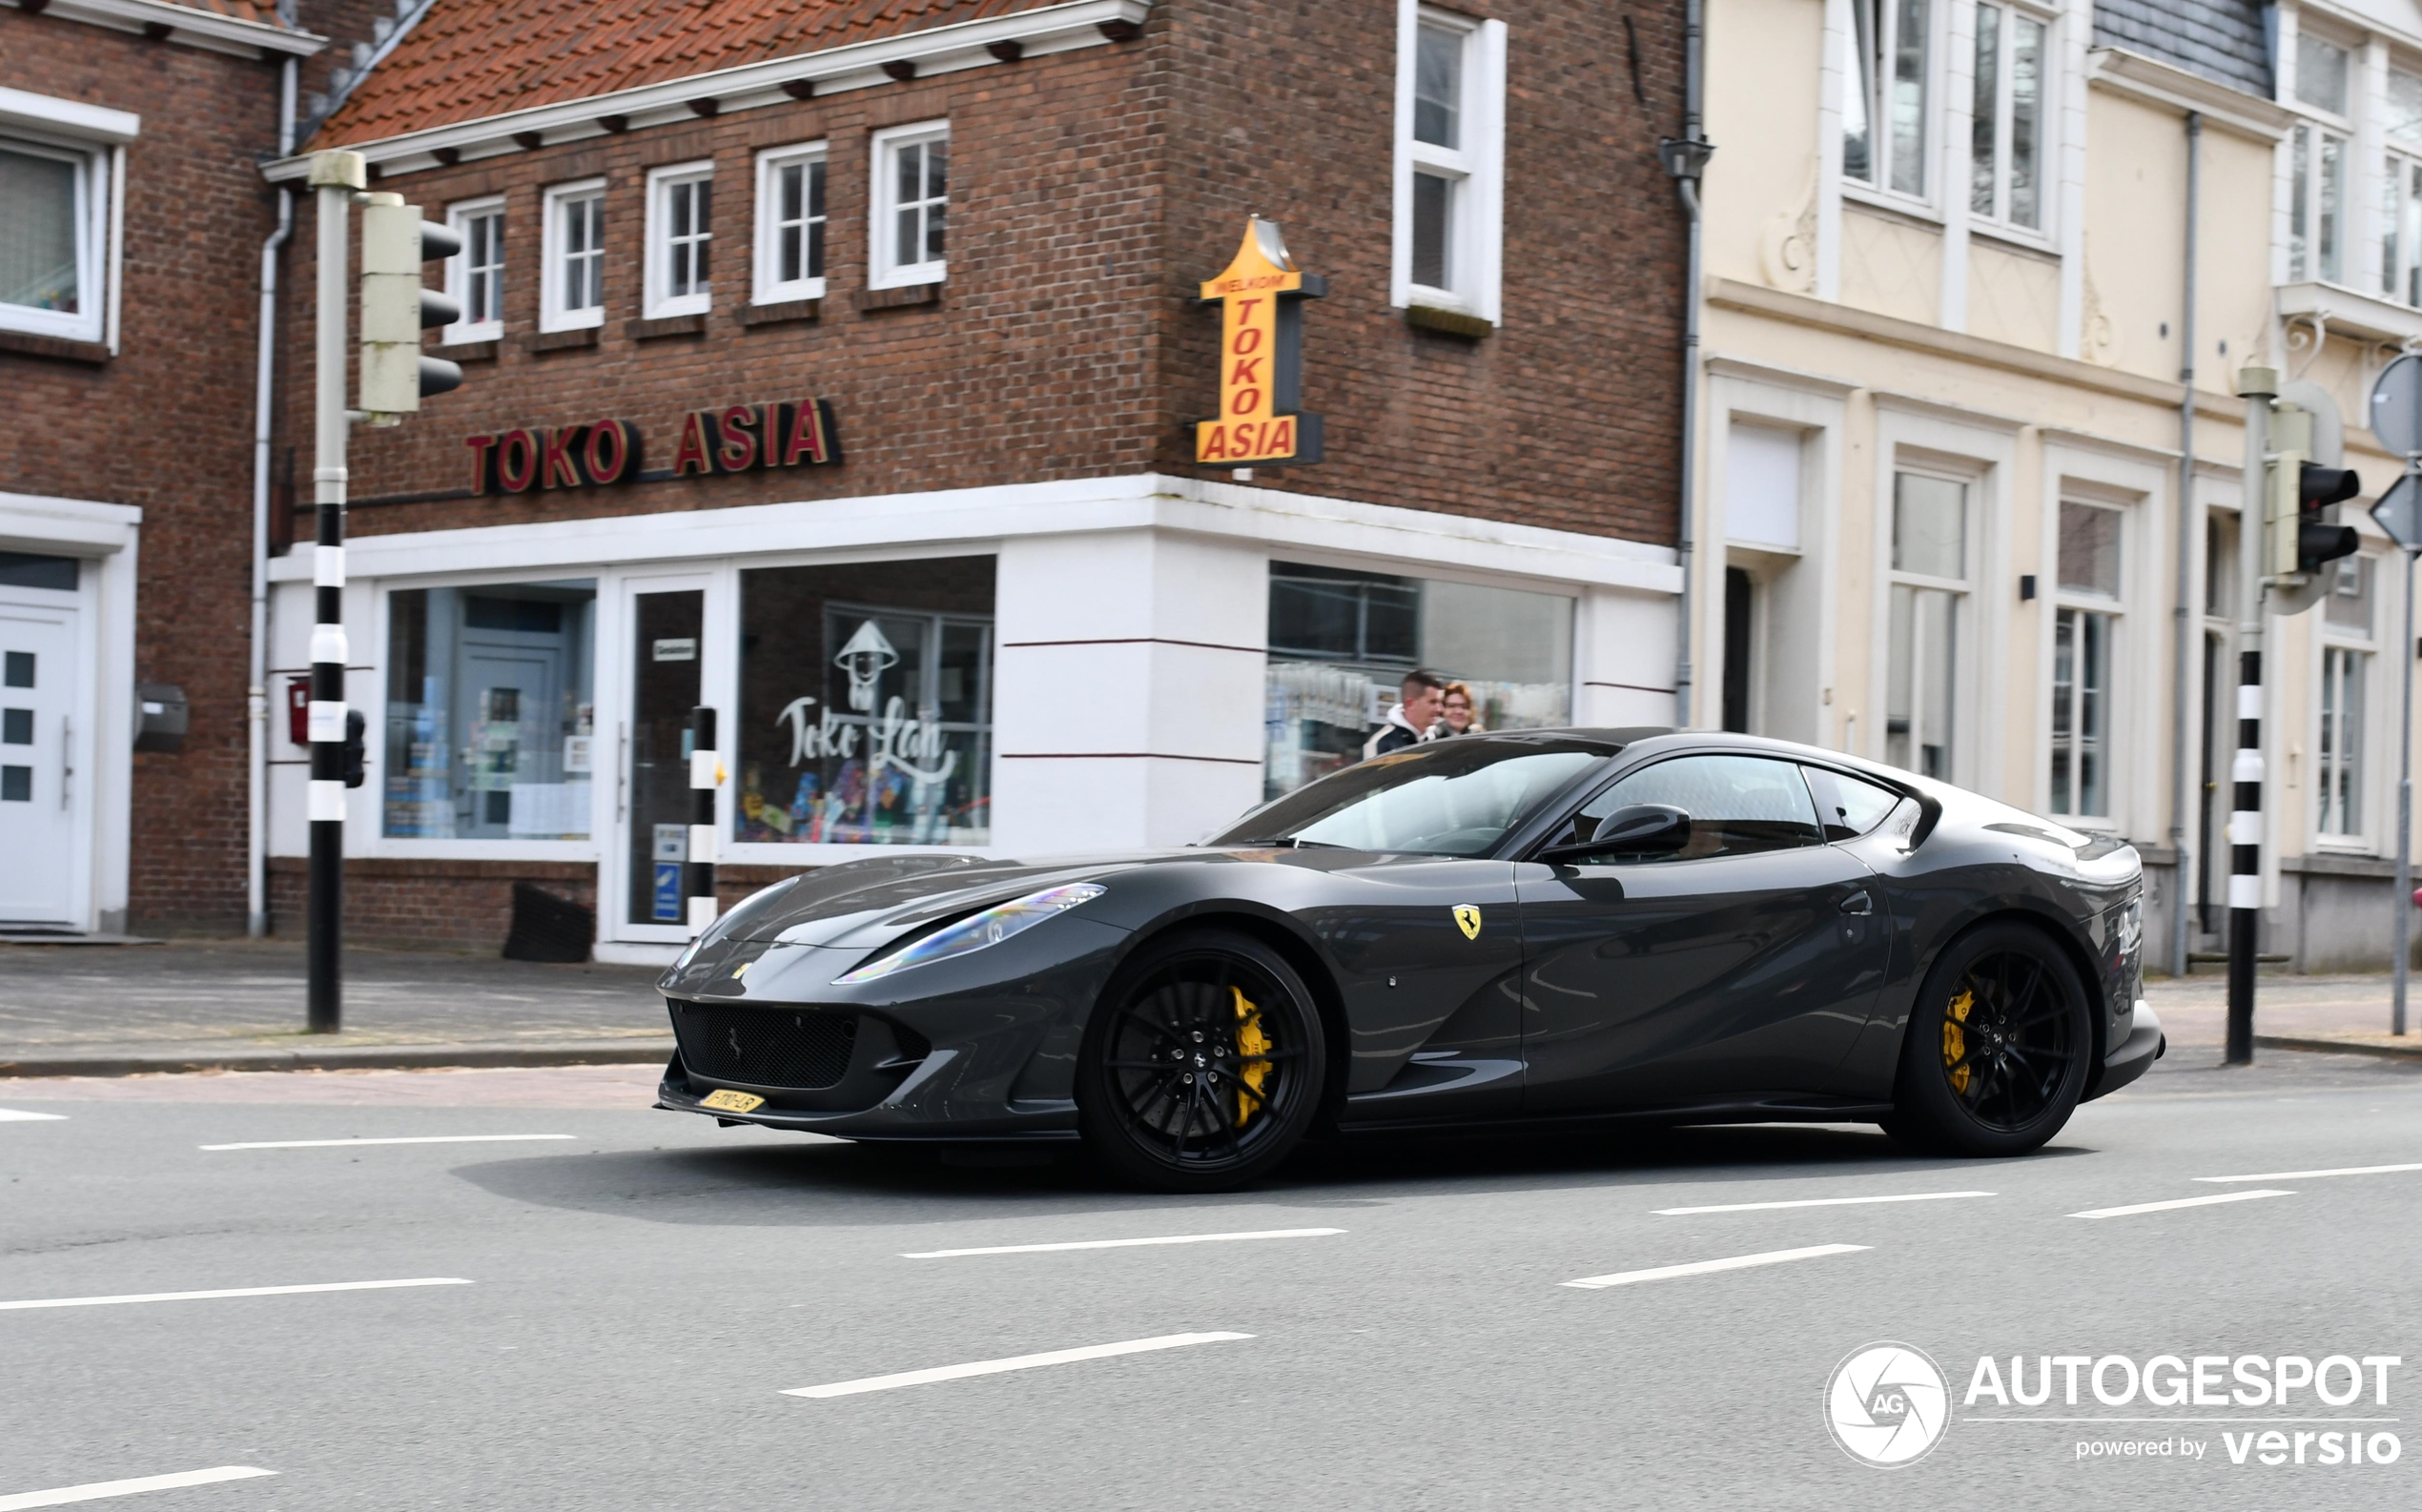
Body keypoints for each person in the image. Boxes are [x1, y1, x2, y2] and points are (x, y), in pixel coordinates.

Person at [1362, 669, 1445, 760]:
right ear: (1410, 703)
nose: (1439, 709)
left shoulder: (1442, 739)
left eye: (1440, 702)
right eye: (1433, 702)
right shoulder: (1379, 743)